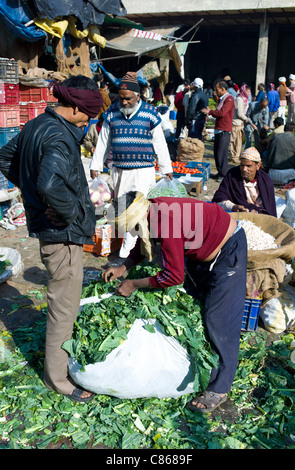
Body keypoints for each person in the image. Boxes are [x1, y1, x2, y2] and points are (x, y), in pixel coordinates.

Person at [0, 75, 104, 402]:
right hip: (61, 233)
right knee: (63, 307)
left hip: (47, 226)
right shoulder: (59, 137)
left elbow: (5, 158)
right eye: (88, 114)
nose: (89, 121)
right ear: (73, 107)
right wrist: (71, 212)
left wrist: (27, 189)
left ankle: (59, 363)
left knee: (63, 299)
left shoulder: (37, 124)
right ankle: (57, 379)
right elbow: (50, 184)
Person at [102, 190, 247, 413]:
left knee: (218, 319)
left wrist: (134, 283)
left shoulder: (164, 222)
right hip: (204, 250)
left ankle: (220, 387)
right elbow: (144, 243)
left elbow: (174, 276)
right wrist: (124, 266)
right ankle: (205, 360)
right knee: (199, 304)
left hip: (229, 250)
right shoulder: (150, 209)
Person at [89, 71, 173, 258]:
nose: (124, 102)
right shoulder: (112, 113)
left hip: (142, 172)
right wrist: (96, 165)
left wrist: (166, 168)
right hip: (119, 171)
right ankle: (133, 249)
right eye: (121, 98)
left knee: (138, 211)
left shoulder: (150, 114)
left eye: (128, 99)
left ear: (137, 96)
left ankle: (129, 252)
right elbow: (104, 141)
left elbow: (160, 143)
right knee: (123, 211)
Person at [212, 147, 277, 216]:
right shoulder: (232, 175)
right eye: (242, 165)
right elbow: (219, 198)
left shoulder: (266, 181)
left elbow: (269, 210)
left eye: (248, 166)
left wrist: (257, 213)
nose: (244, 169)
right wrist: (233, 207)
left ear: (258, 166)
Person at [202, 80, 235, 181]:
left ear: (223, 89)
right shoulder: (222, 99)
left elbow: (222, 113)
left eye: (217, 89)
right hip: (219, 128)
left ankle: (224, 174)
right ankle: (219, 172)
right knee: (216, 152)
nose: (216, 92)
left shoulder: (229, 99)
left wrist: (210, 111)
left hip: (224, 129)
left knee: (222, 153)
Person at [229, 84, 252, 164]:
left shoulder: (242, 99)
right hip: (236, 123)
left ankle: (234, 156)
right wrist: (246, 118)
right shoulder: (240, 99)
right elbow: (239, 113)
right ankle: (234, 157)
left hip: (238, 123)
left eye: (249, 92)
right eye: (248, 92)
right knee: (235, 142)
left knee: (237, 141)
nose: (249, 93)